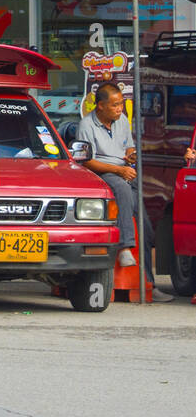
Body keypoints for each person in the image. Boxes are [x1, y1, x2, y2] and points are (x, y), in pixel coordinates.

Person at [73, 79, 172, 301]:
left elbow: (128, 146)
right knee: (122, 188)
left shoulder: (122, 121)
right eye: (115, 105)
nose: (120, 109)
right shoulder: (86, 126)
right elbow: (86, 161)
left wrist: (131, 155)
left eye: (121, 104)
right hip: (102, 173)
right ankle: (125, 246)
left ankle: (148, 282)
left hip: (123, 170)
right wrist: (118, 171)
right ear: (101, 105)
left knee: (145, 227)